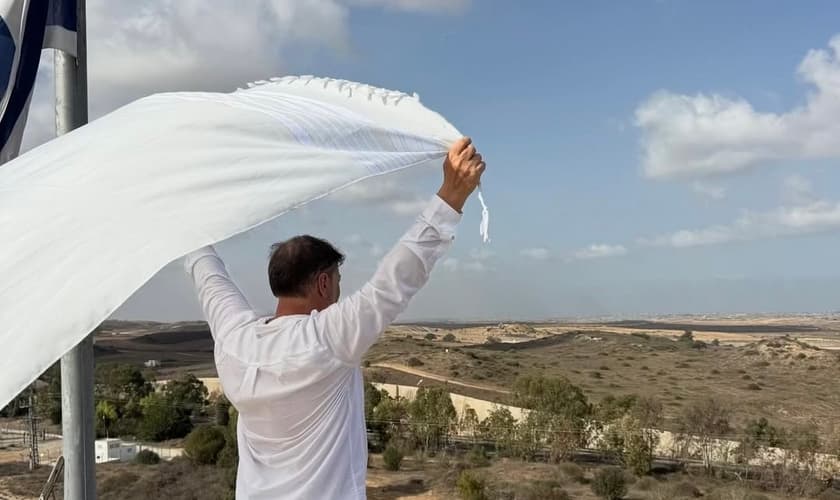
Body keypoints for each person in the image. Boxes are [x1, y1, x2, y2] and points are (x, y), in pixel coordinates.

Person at [184, 137, 485, 499]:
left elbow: (208, 275)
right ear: (324, 283)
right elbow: (397, 278)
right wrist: (452, 194)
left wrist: (182, 222)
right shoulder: (324, 340)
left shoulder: (234, 340)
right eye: (338, 280)